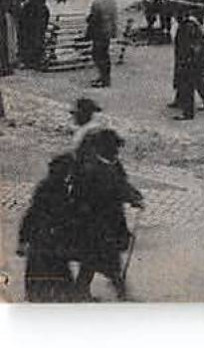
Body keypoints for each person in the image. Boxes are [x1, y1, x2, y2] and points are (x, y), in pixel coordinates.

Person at [71, 127, 143, 300]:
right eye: (114, 149)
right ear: (103, 148)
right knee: (104, 257)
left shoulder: (111, 164)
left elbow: (121, 183)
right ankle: (120, 291)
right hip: (94, 221)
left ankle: (82, 291)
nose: (117, 152)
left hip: (109, 219)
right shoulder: (91, 168)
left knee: (94, 259)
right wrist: (130, 197)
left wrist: (134, 195)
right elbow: (112, 189)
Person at [18, 153, 80, 301]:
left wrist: (23, 239)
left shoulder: (55, 187)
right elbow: (34, 214)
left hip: (45, 241)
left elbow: (30, 215)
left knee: (45, 280)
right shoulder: (55, 189)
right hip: (48, 241)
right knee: (57, 279)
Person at [172, 6, 204, 120]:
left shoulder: (187, 27)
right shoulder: (191, 25)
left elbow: (191, 46)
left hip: (191, 61)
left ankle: (188, 112)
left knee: (187, 84)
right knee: (198, 83)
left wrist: (187, 60)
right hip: (195, 60)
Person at [86, 0, 117, 88]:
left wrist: (87, 34)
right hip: (108, 32)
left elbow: (92, 20)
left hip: (99, 33)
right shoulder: (110, 0)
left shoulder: (96, 2)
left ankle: (103, 78)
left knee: (97, 55)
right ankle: (105, 77)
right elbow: (114, 16)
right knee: (105, 55)